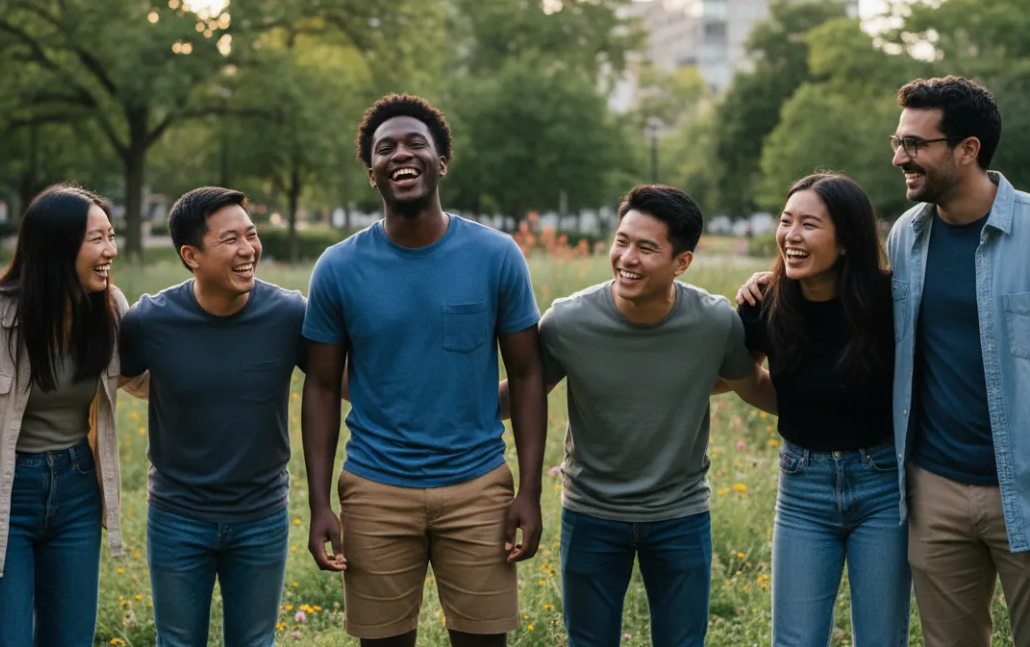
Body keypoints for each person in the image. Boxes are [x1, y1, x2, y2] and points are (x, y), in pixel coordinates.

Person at [738, 76, 1030, 645]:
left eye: (916, 144)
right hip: (933, 488)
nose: (900, 157)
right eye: (898, 142)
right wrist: (777, 280)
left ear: (967, 149)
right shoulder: (907, 237)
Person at [301, 94, 547, 645]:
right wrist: (320, 504)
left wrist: (528, 491)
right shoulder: (338, 268)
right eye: (384, 148)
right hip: (374, 491)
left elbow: (528, 375)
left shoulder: (496, 255)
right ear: (372, 173)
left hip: (479, 488)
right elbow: (319, 386)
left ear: (441, 163)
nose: (400, 154)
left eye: (416, 143)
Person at [496, 184, 768, 647]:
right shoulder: (567, 322)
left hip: (680, 513)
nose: (627, 257)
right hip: (592, 513)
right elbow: (525, 392)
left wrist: (833, 403)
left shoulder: (714, 322)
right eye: (622, 241)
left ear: (681, 262)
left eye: (646, 248)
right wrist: (432, 410)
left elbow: (752, 386)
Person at [118, 187, 307, 647]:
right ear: (191, 255)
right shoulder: (150, 320)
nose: (248, 250)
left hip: (261, 514)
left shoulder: (288, 314)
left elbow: (339, 384)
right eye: (230, 240)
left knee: (255, 642)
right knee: (178, 642)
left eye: (252, 235)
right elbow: (112, 380)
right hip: (177, 516)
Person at [736, 173, 909, 647]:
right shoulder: (764, 304)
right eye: (786, 221)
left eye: (809, 225)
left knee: (880, 639)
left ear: (848, 240)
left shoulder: (891, 300)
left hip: (882, 486)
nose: (791, 236)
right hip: (802, 489)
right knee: (795, 641)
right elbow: (741, 378)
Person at [0, 184, 127, 646]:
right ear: (56, 246)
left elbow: (151, 377)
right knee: (4, 639)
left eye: (111, 236)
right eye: (97, 239)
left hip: (76, 490)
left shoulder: (110, 311)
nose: (110, 250)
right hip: (1, 494)